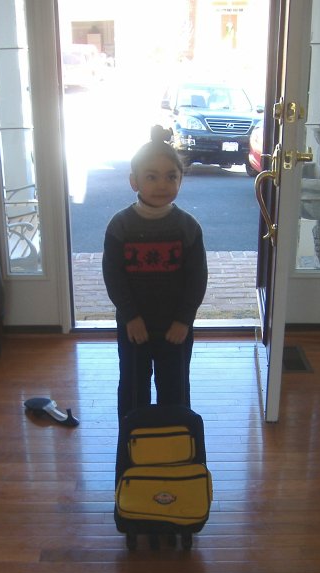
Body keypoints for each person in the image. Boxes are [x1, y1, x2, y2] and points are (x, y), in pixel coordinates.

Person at [102, 126, 208, 419]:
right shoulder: (120, 226)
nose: (162, 185)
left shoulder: (188, 228)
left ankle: (175, 441)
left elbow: (197, 279)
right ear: (134, 181)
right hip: (134, 328)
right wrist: (131, 317)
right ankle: (132, 440)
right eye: (152, 177)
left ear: (181, 180)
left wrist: (184, 320)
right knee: (133, 389)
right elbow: (113, 277)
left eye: (171, 177)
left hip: (176, 329)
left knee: (175, 390)